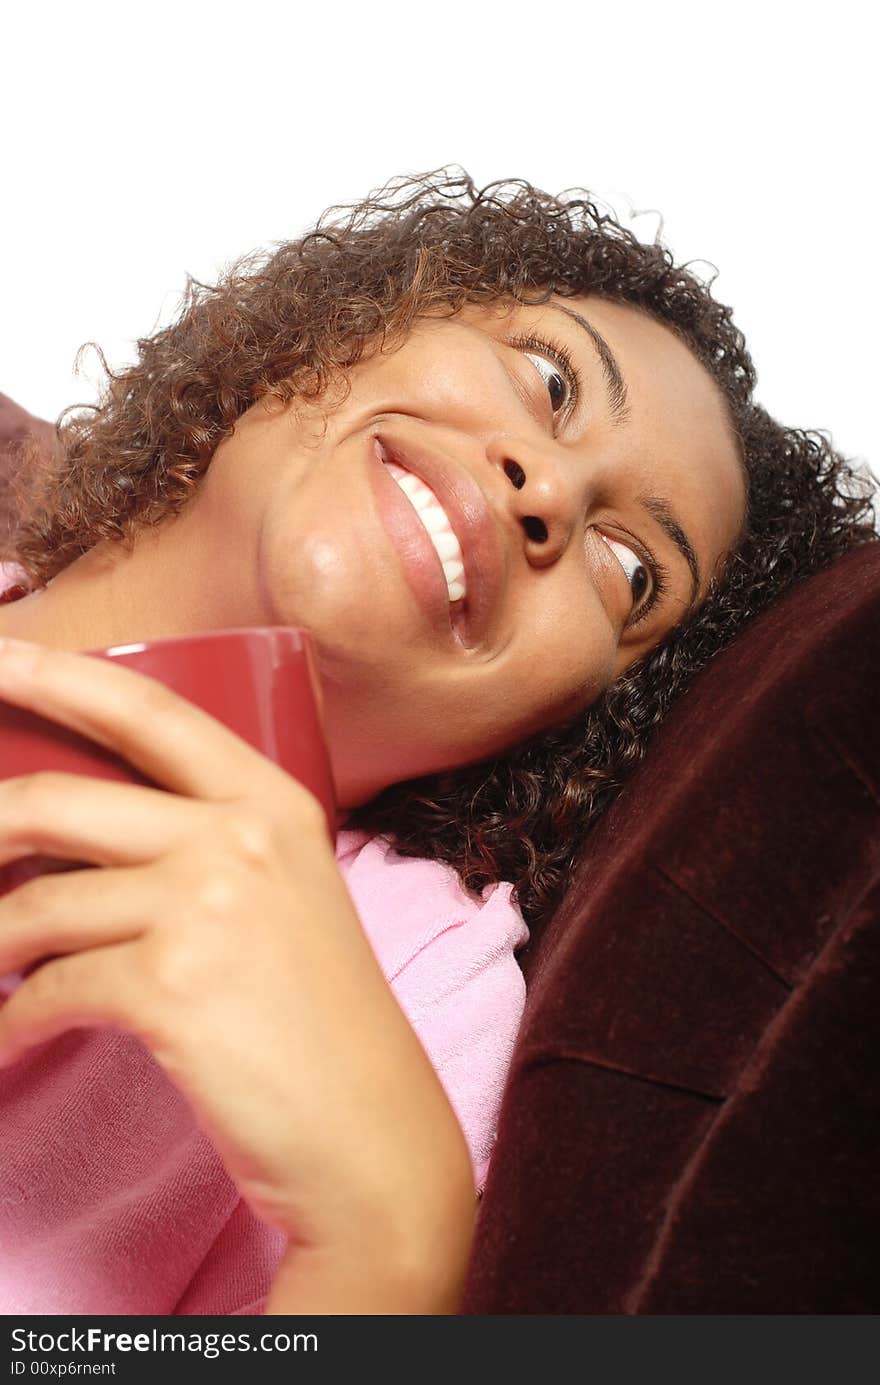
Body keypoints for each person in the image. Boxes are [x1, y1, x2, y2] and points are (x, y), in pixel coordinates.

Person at [0, 169, 875, 1315]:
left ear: (566, 729)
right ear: (349, 327)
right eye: (549, 378)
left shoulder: (421, 994)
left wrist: (387, 1241)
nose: (547, 483)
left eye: (626, 572)